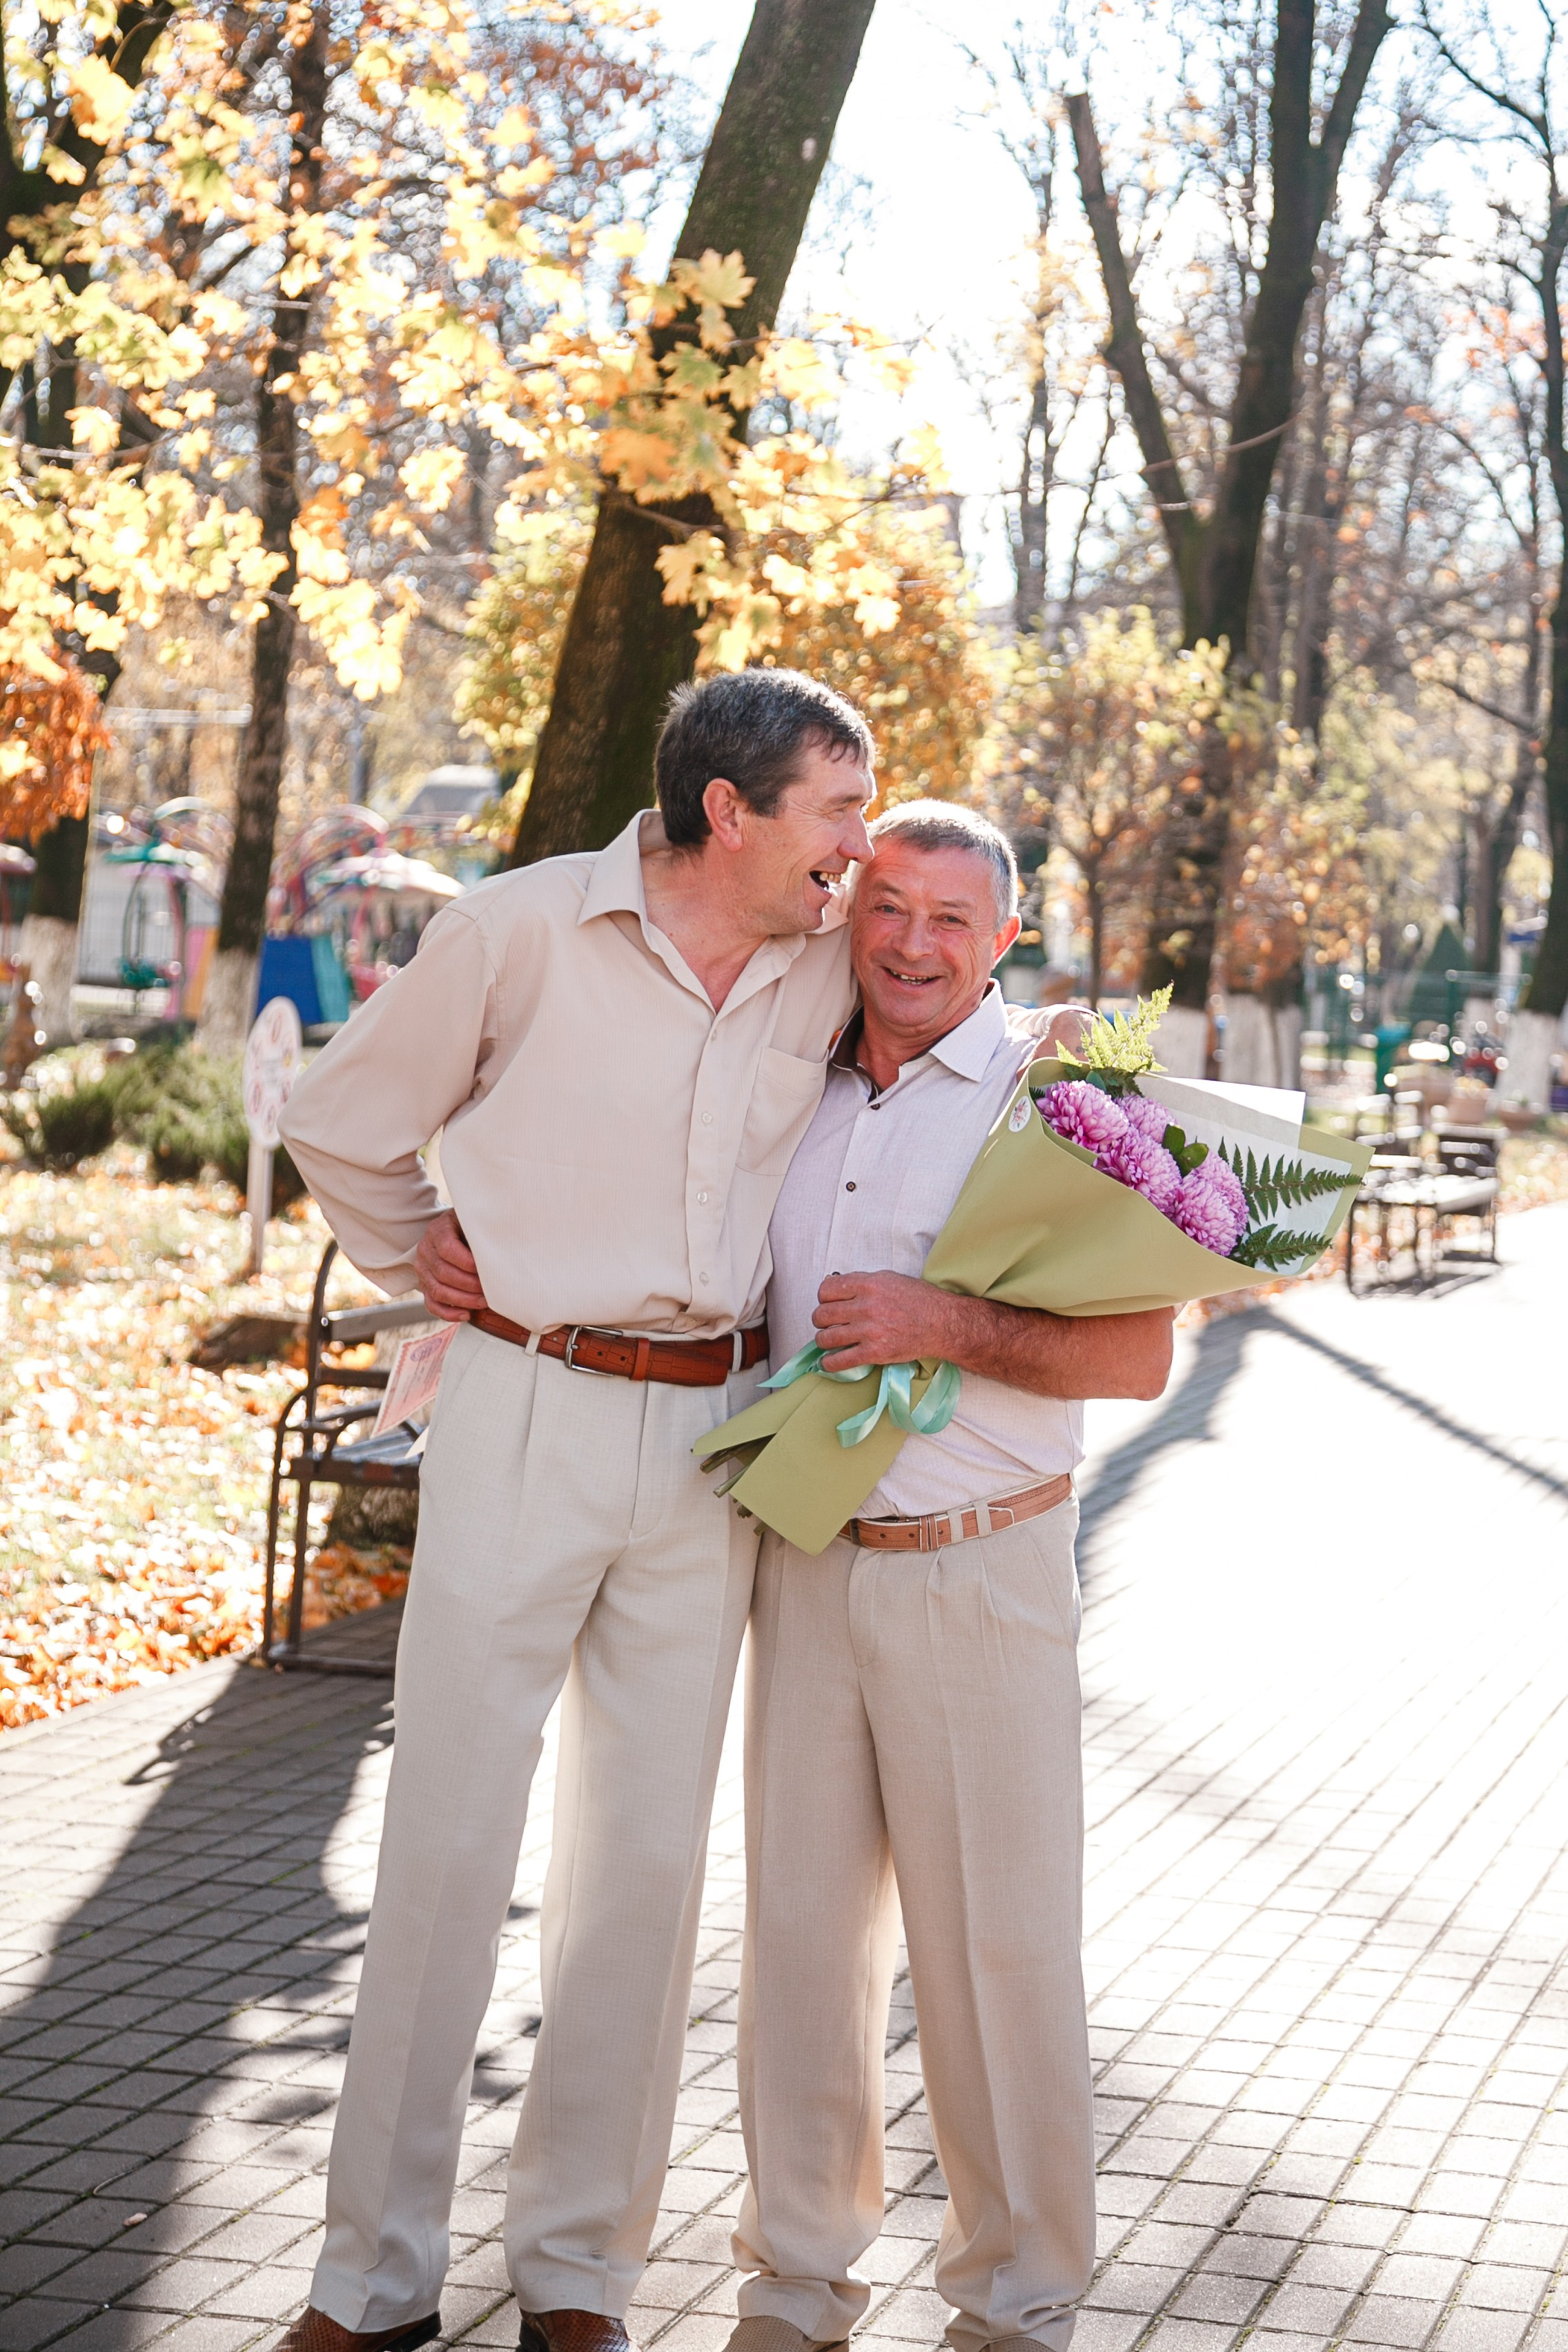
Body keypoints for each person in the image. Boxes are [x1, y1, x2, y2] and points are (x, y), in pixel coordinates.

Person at [273, 669, 880, 2352]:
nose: (859, 844)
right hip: (524, 1408)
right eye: (836, 810)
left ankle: (576, 2271)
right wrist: (423, 1262)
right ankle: (371, 2277)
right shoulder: (516, 930)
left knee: (643, 1872)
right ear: (727, 812)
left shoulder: (823, 955)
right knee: (449, 1840)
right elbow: (341, 1123)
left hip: (710, 1450)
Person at [725, 803, 1175, 2352]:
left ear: (1004, 937)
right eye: (889, 905)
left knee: (995, 1949)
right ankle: (793, 2282)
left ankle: (1018, 2297)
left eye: (950, 919)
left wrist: (945, 1327)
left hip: (979, 1573)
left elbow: (1133, 1354)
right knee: (794, 1944)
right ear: (852, 908)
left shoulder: (1065, 1096)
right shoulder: (792, 1077)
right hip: (800, 1561)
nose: (913, 943)